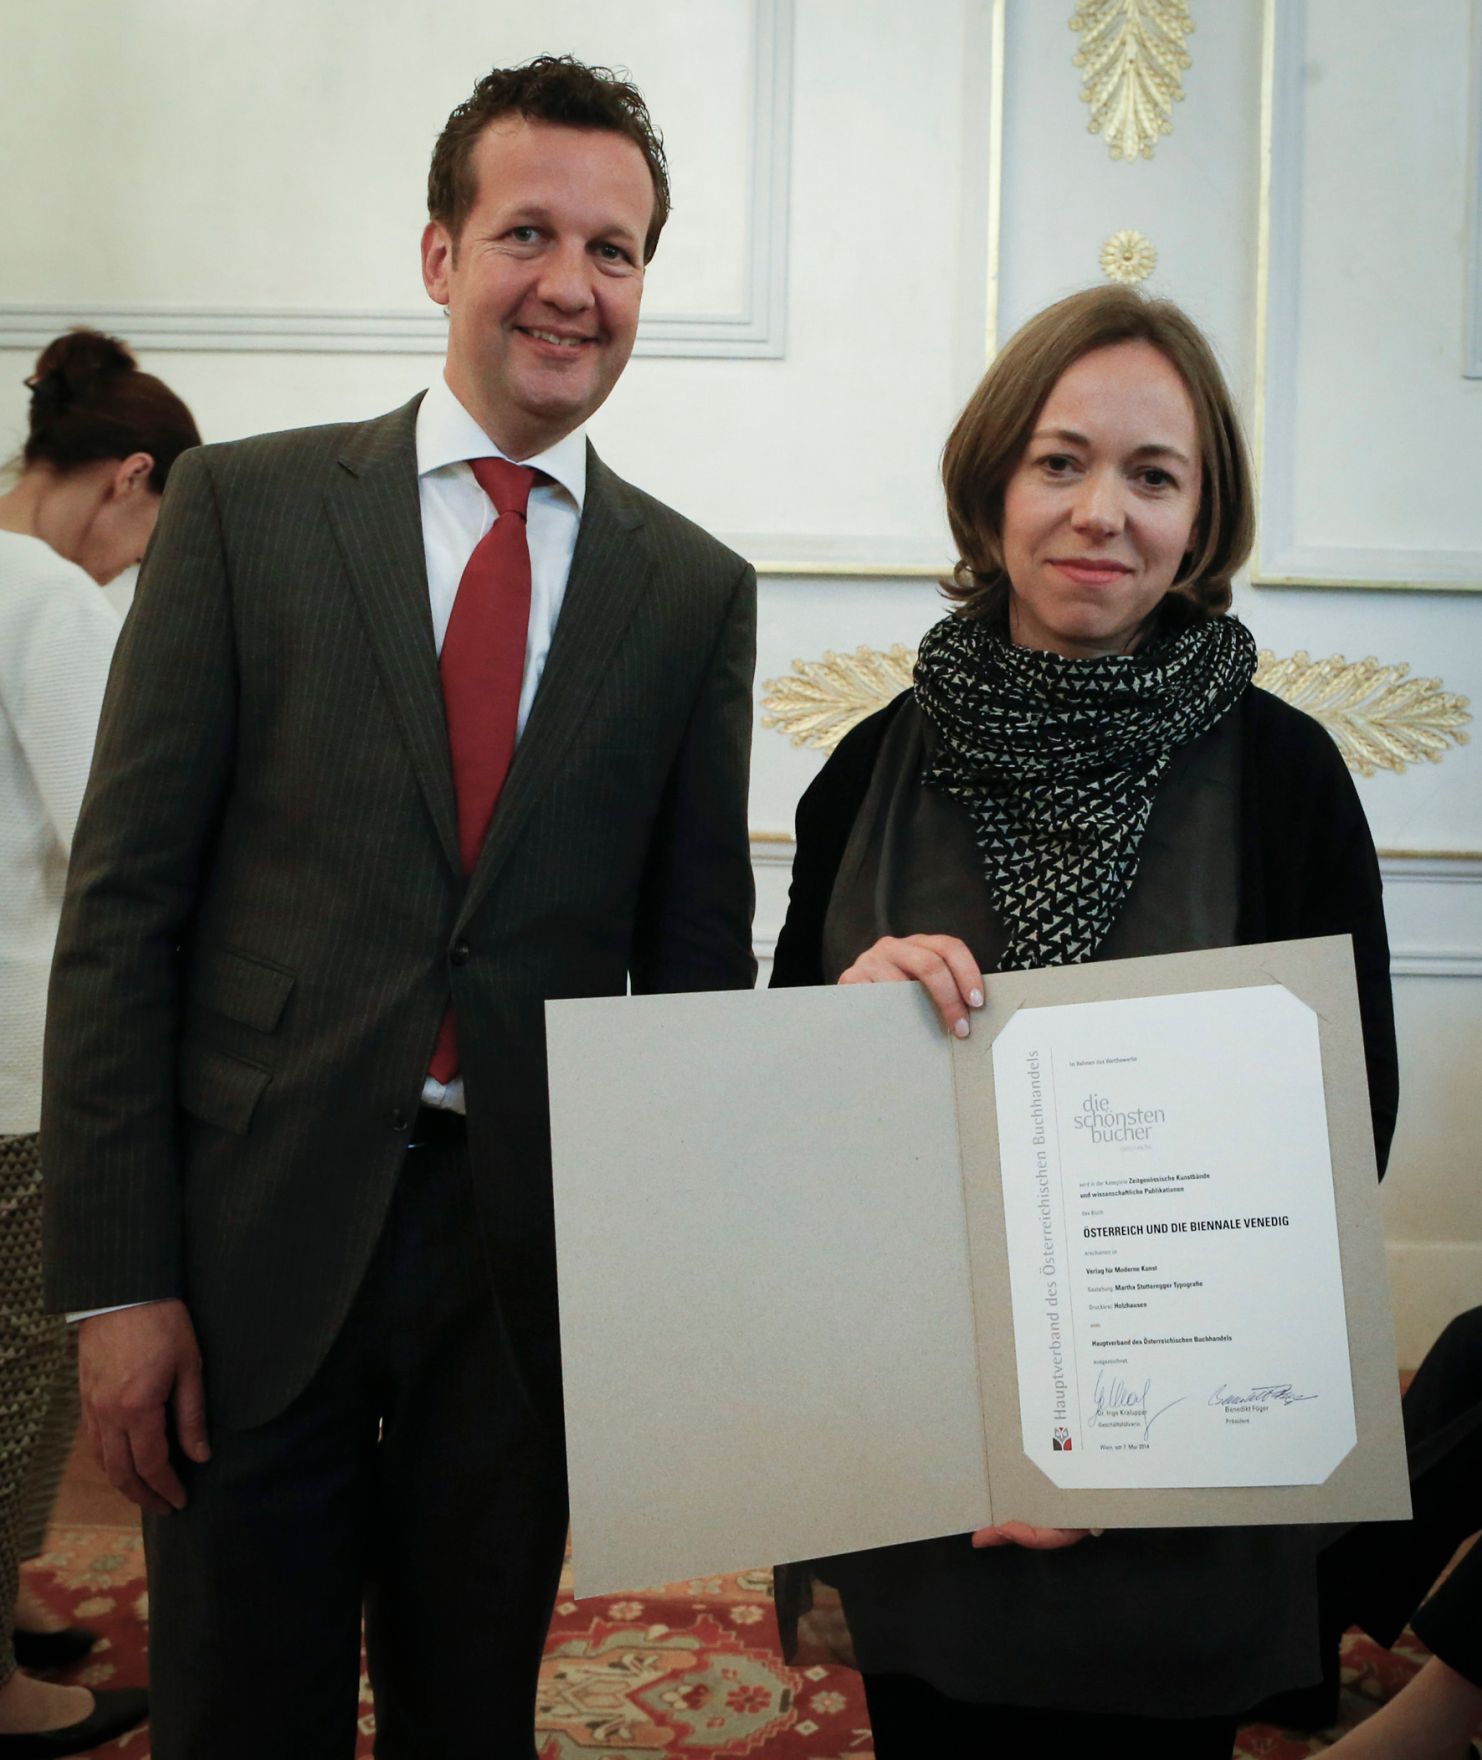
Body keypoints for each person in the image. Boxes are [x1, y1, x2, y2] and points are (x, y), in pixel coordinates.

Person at [40, 56, 756, 1760]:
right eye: (529, 231)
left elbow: (695, 974)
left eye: (618, 249)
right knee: (237, 1712)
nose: (573, 284)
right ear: (438, 255)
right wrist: (117, 1281)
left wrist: (679, 1307)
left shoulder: (691, 593)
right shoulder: (248, 512)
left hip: (516, 1275)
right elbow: (125, 913)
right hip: (248, 1246)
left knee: (468, 1717)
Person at [770, 284, 1397, 1759]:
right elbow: (778, 1128)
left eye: (1151, 474)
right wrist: (836, 1029)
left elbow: (1340, 1134)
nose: (1099, 511)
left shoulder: (1286, 776)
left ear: (1201, 520)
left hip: (1182, 1466)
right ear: (991, 485)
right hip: (919, 1458)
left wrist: (1128, 1443)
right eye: (1059, 461)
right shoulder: (865, 765)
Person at [0, 328, 199, 1753]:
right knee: (12, 1383)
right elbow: (111, 836)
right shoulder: (44, 595)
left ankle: (11, 1616)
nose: (136, 574)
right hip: (17, 1065)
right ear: (130, 480)